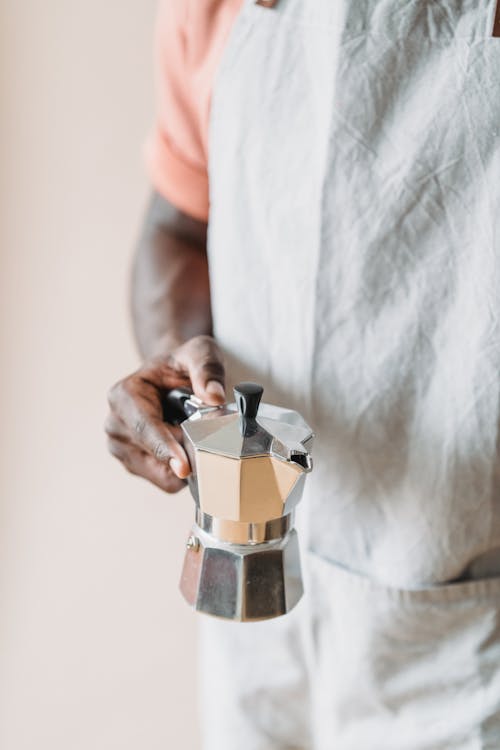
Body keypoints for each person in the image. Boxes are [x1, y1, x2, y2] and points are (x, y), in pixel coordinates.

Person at [106, 0, 500, 747]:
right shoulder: (214, 9)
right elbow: (177, 225)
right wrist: (171, 359)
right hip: (254, 639)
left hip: (474, 640)